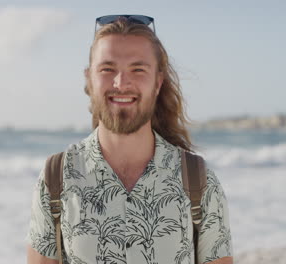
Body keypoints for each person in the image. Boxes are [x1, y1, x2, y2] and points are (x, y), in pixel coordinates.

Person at [26, 15, 233, 264]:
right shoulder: (56, 178)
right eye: (107, 69)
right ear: (89, 79)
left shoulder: (199, 182)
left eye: (137, 69)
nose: (121, 83)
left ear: (158, 82)